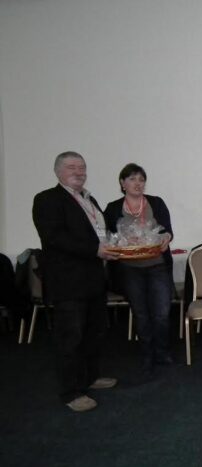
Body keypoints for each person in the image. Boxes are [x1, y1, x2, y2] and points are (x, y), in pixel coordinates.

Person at [32, 151, 119, 412]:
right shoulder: (47, 199)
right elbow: (55, 237)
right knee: (70, 337)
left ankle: (90, 377)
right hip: (68, 281)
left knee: (94, 332)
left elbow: (99, 232)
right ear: (58, 171)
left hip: (94, 278)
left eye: (82, 167)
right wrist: (95, 250)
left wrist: (117, 244)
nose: (79, 172)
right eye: (72, 167)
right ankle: (71, 392)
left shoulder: (88, 199)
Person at [104, 163, 175, 383]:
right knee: (141, 313)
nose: (138, 183)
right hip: (129, 269)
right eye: (133, 179)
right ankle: (147, 354)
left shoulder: (156, 202)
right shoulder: (113, 208)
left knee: (162, 312)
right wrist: (123, 241)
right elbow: (107, 237)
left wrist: (166, 238)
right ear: (122, 183)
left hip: (157, 265)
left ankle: (162, 351)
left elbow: (167, 231)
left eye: (141, 179)